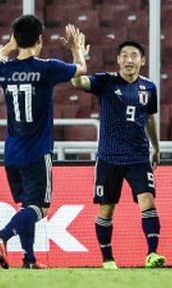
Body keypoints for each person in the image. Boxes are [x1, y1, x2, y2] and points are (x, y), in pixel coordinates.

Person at [0, 17, 88, 270]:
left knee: (26, 206)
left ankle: (29, 259)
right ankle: (2, 236)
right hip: (37, 152)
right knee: (40, 209)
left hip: (11, 153)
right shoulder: (47, 68)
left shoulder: (4, 69)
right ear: (40, 40)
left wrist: (10, 46)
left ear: (16, 38)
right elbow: (81, 69)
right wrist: (76, 49)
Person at [71, 40, 165, 270]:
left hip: (138, 157)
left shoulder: (149, 88)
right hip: (109, 158)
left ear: (142, 61)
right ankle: (108, 259)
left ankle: (152, 254)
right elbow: (77, 81)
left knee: (148, 201)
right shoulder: (105, 81)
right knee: (107, 209)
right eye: (124, 55)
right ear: (118, 60)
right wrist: (77, 54)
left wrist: (156, 146)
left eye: (134, 55)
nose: (129, 60)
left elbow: (150, 118)